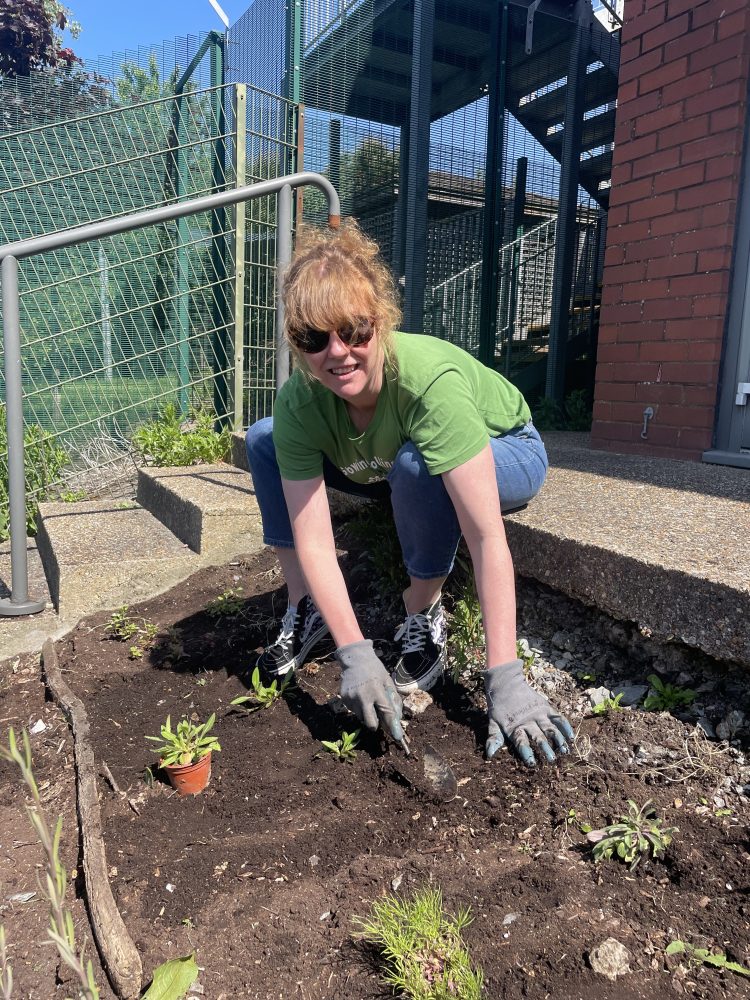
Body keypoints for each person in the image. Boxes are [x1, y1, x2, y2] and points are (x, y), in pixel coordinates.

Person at [245, 221, 574, 767]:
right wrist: (354, 652)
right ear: (296, 346)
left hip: (504, 448)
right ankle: (307, 610)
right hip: (386, 456)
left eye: (354, 330)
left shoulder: (426, 381)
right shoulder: (300, 402)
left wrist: (507, 678)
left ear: (381, 321)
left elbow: (488, 537)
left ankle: (421, 608)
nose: (339, 352)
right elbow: (318, 542)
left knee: (418, 462)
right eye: (315, 338)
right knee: (265, 440)